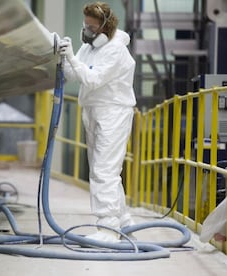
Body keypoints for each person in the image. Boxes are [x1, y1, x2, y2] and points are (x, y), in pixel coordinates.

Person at [59, 2, 136, 242]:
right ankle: (124, 221)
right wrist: (65, 57)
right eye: (86, 25)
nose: (87, 30)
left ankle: (108, 229)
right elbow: (74, 74)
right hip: (93, 109)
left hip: (113, 112)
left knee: (105, 170)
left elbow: (92, 79)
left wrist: (72, 57)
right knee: (103, 170)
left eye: (91, 26)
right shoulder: (90, 47)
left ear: (105, 27)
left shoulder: (115, 50)